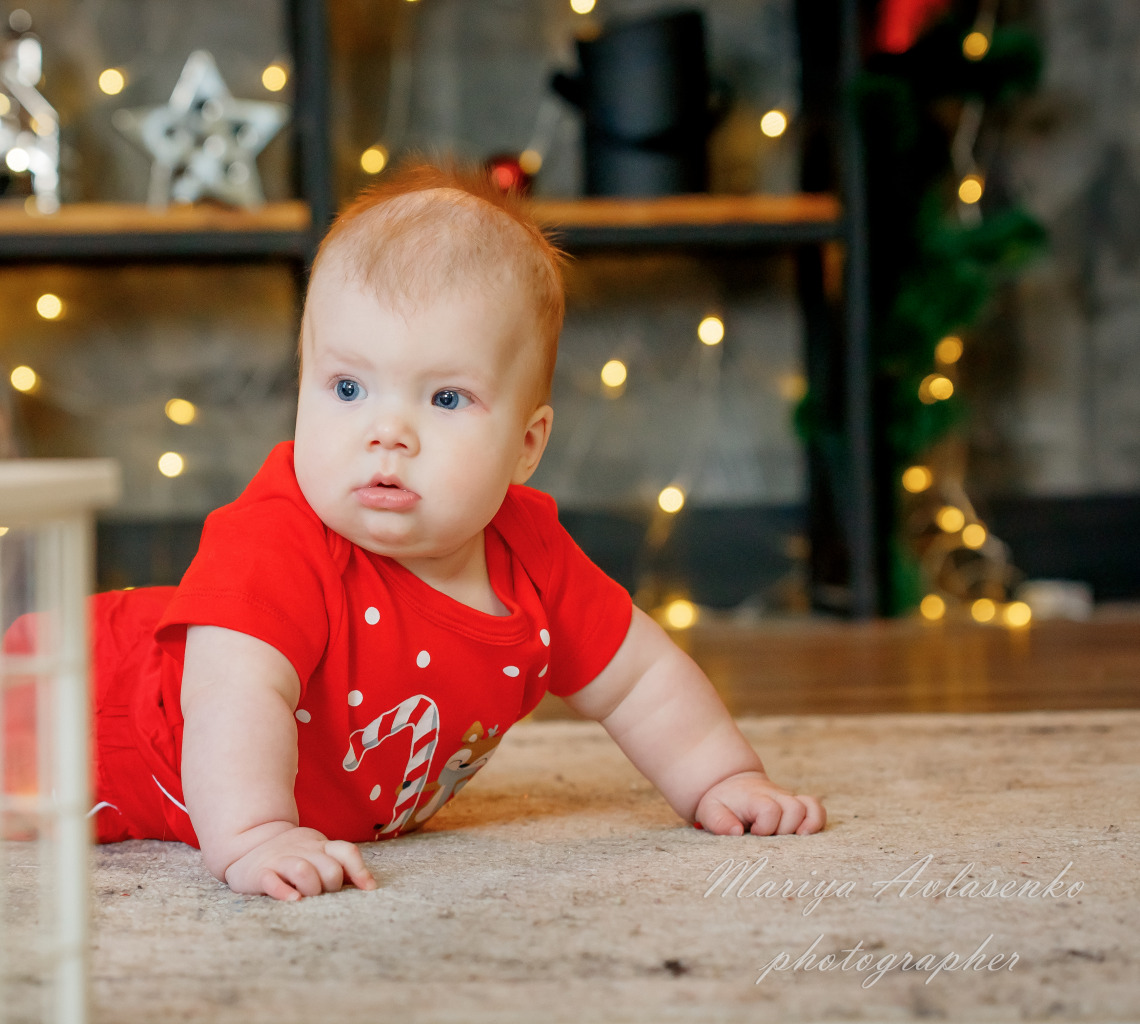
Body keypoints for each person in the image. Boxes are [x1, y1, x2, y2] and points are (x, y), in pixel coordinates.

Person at [43, 163, 825, 902]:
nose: (388, 433)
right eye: (348, 387)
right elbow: (230, 695)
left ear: (527, 444)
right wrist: (256, 834)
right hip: (87, 710)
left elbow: (644, 681)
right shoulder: (276, 537)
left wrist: (724, 779)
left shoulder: (531, 557)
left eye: (446, 400)